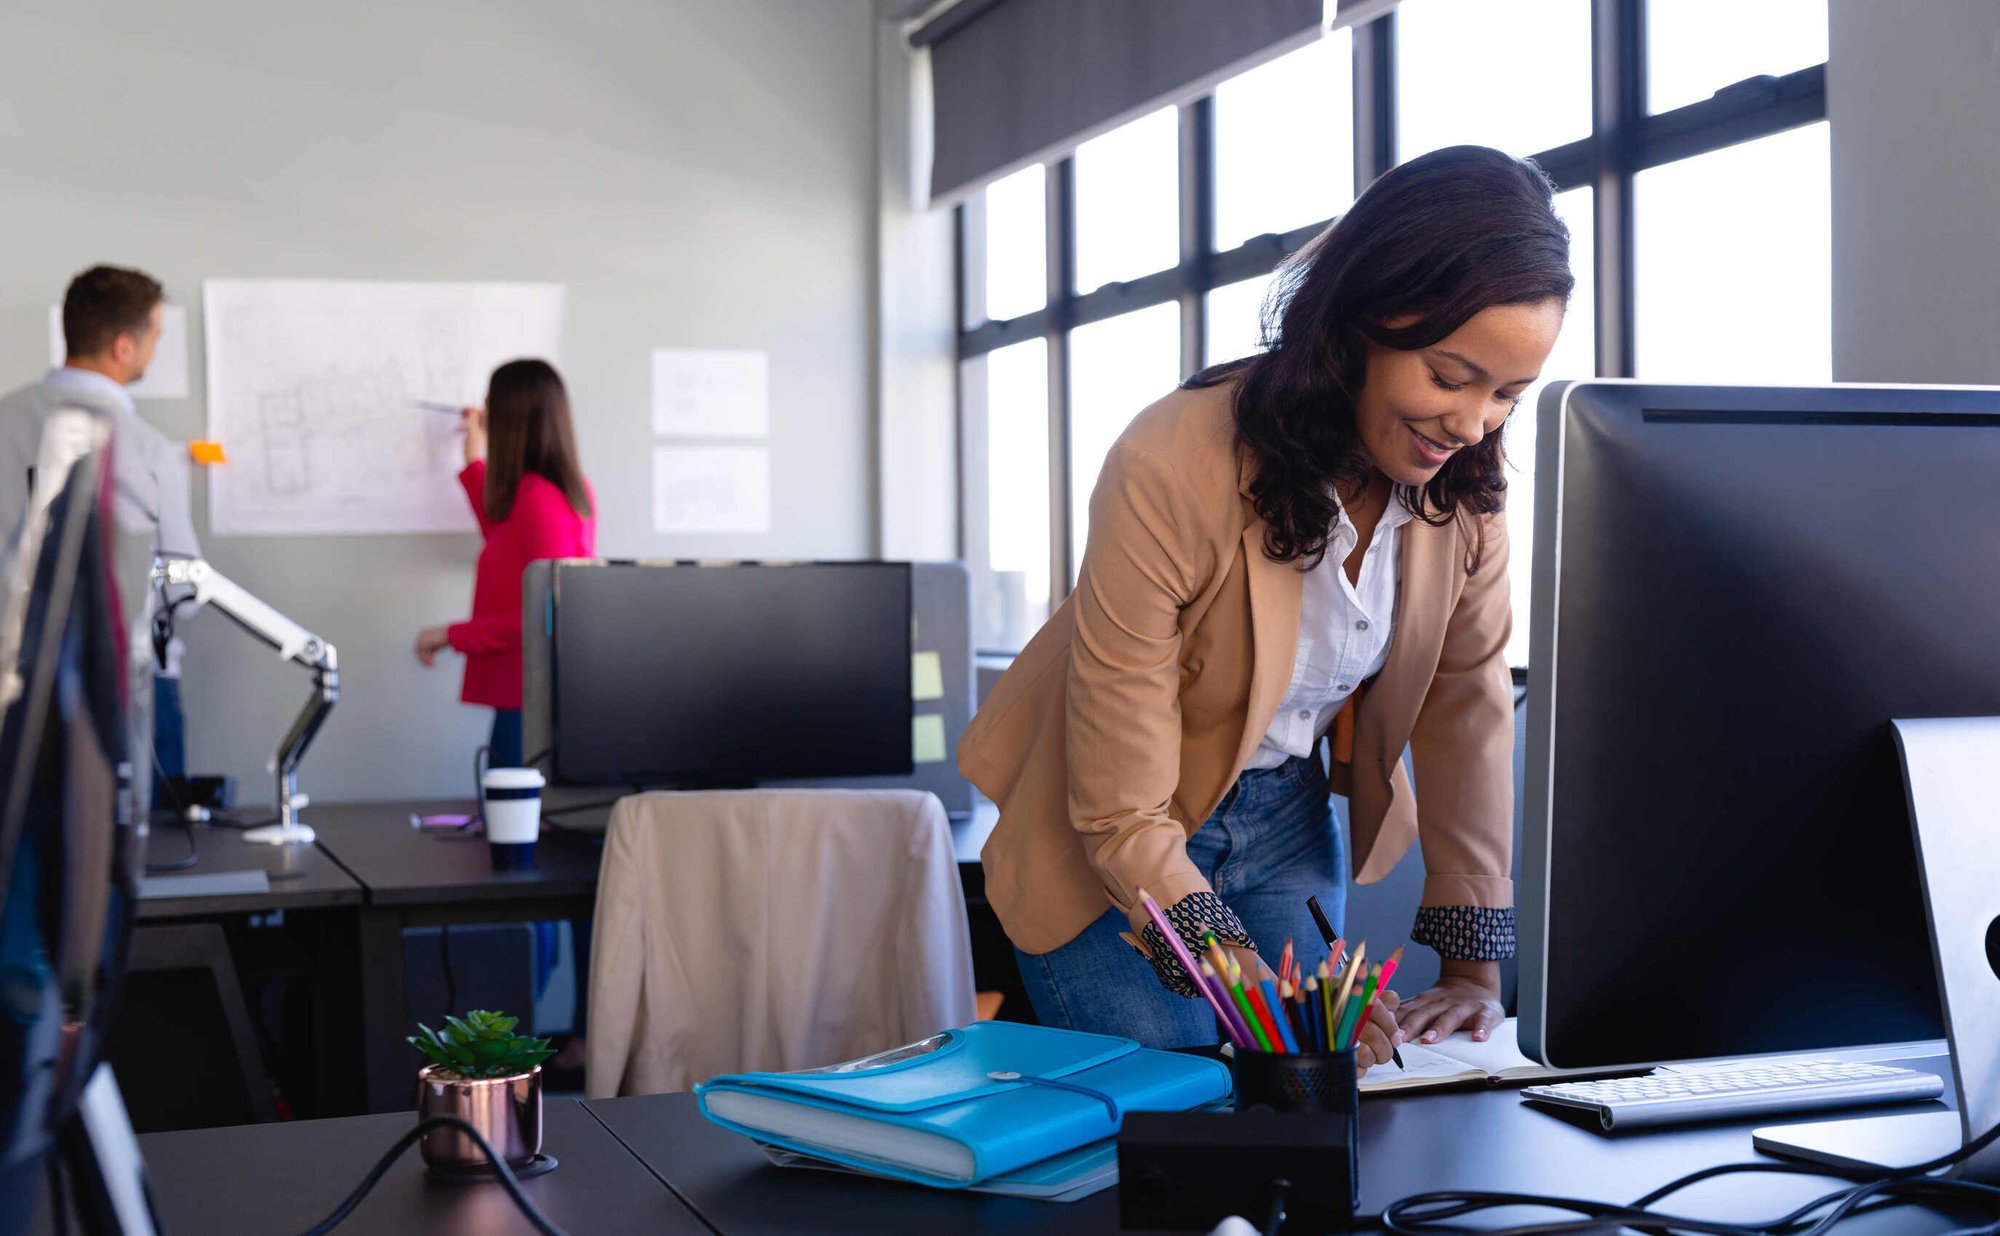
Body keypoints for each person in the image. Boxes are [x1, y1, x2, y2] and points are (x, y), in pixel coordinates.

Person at [958, 146, 1573, 1069]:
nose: (1472, 423)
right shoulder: (1172, 458)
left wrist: (1471, 973)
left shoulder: (1464, 494)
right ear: (1361, 321)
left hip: (1287, 815)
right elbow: (1120, 806)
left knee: (1326, 1072)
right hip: (1112, 822)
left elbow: (1464, 711)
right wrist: (1220, 960)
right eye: (1449, 378)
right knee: (1192, 1076)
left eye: (1507, 396)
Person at [0, 264, 200, 806]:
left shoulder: (3, 423)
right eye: (154, 336)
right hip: (121, 690)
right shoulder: (148, 449)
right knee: (130, 865)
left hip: (8, 685)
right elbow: (182, 586)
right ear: (122, 347)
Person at [415, 358, 596, 766]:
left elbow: (549, 612)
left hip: (530, 704)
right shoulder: (543, 493)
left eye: (489, 403)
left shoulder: (540, 499)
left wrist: (452, 634)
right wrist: (473, 462)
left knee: (511, 820)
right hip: (526, 700)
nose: (484, 411)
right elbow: (503, 537)